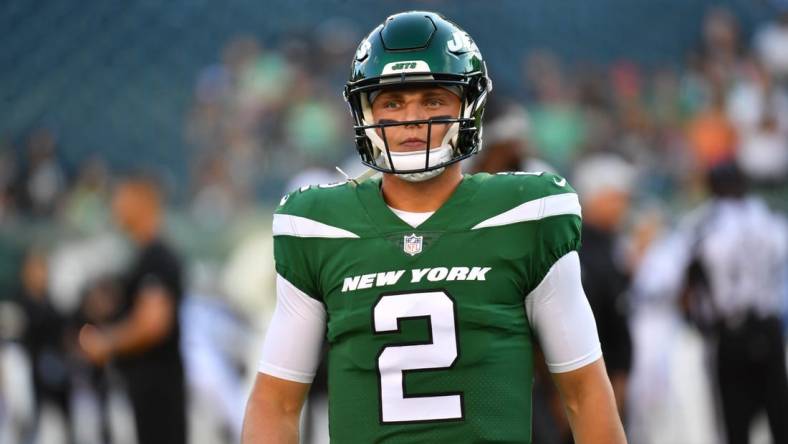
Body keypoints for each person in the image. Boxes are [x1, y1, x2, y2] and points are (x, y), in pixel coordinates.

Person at [242, 11, 626, 443]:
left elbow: (585, 391)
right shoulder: (320, 228)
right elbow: (275, 403)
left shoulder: (524, 217)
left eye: (432, 100)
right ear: (365, 111)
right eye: (392, 102)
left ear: (468, 105)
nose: (412, 119)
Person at [681, 162, 788, 444]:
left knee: (735, 424)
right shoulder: (770, 219)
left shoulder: (704, 223)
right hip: (769, 326)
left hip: (730, 332)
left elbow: (683, 276)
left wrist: (698, 317)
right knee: (780, 418)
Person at [79, 176, 187, 444]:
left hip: (157, 388)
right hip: (145, 385)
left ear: (142, 203)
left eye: (122, 199)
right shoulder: (139, 257)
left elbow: (153, 324)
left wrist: (106, 343)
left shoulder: (157, 257)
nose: (116, 206)